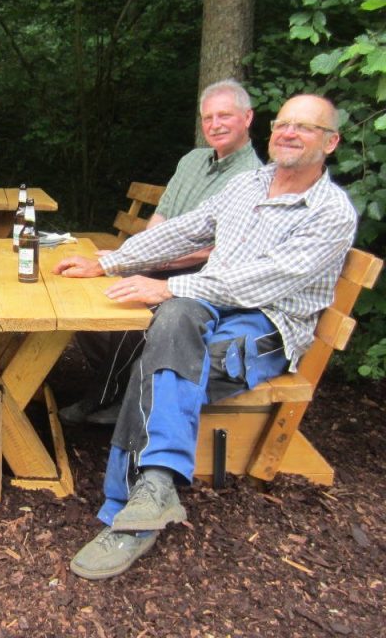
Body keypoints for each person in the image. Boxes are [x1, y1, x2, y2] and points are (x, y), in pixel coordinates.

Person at [53, 94, 357, 580]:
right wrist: (109, 262)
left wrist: (170, 286)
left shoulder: (330, 212)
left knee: (162, 360)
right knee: (172, 324)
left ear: (331, 142)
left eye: (305, 127)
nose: (289, 133)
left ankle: (131, 511)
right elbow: (187, 230)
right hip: (209, 303)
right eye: (284, 124)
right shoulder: (248, 184)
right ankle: (154, 491)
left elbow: (264, 281)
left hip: (264, 324)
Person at [60, 79, 262, 425]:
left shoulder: (252, 177)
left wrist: (145, 266)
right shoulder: (193, 160)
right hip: (162, 261)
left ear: (247, 118)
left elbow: (211, 251)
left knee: (132, 302)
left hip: (201, 277)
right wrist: (133, 258)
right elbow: (162, 216)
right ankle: (120, 383)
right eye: (208, 117)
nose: (215, 124)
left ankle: (106, 396)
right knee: (84, 292)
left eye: (225, 116)